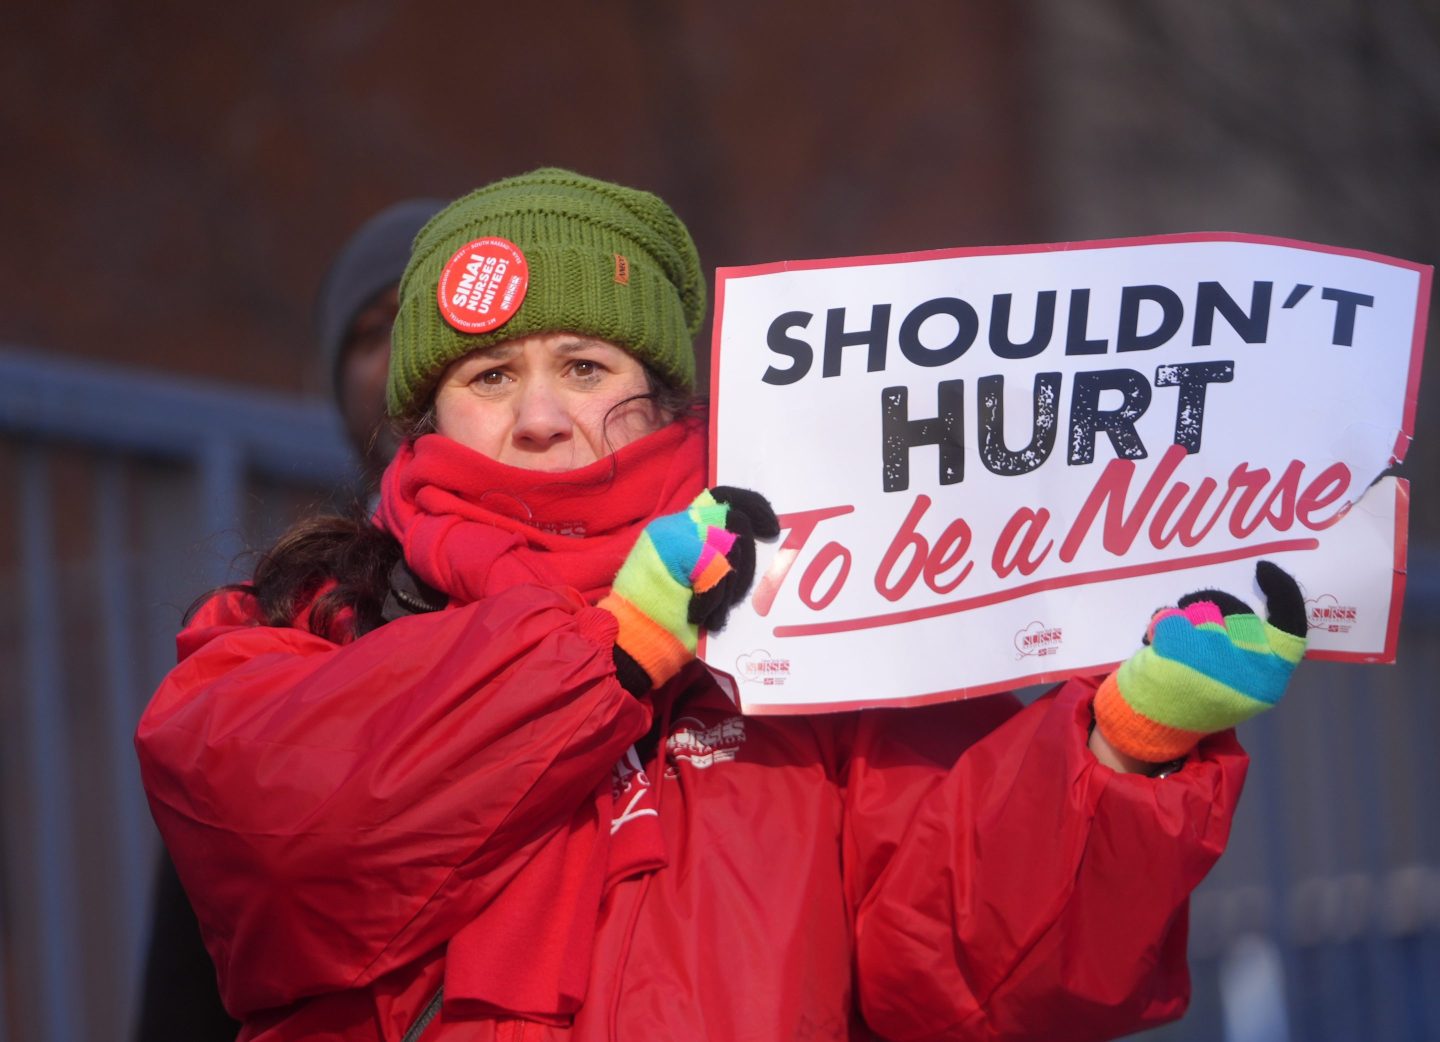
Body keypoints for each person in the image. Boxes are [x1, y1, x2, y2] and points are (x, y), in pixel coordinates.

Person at [135, 168, 1308, 1041]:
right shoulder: (306, 622)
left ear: (667, 405)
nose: (538, 415)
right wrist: (612, 653)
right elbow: (295, 840)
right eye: (491, 377)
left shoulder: (805, 636)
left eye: (587, 370)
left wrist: (1120, 751)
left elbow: (964, 953)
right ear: (425, 421)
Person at [133, 198, 441, 1042]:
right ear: (335, 384)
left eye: (431, 315)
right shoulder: (280, 628)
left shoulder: (639, 583)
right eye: (373, 332)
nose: (407, 353)